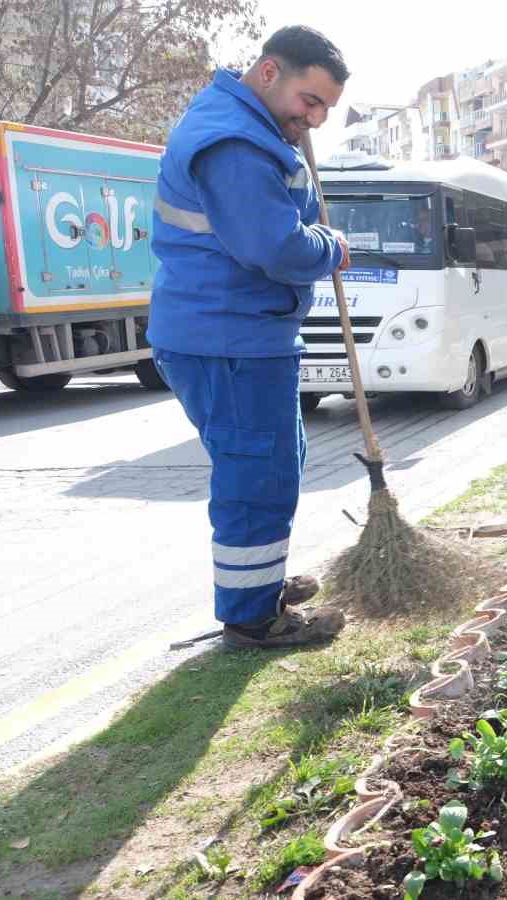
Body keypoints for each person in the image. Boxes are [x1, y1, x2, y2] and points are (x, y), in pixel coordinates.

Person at [146, 26, 351, 648]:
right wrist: (331, 246)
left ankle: (257, 585)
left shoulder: (252, 129)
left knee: (273, 467)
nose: (312, 120)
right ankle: (252, 620)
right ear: (269, 73)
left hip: (241, 337)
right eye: (309, 102)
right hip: (227, 340)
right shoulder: (234, 142)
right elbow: (274, 245)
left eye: (324, 110)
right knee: (254, 476)